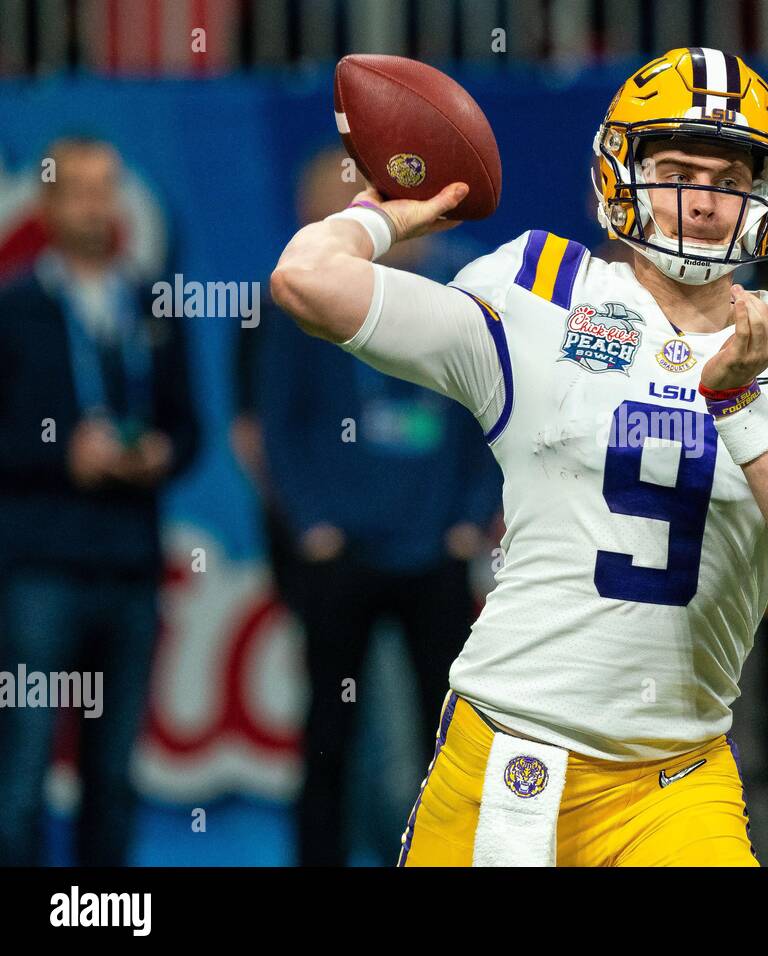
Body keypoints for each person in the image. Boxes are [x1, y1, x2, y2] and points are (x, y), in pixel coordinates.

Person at [270, 47, 768, 867]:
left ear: (767, 194)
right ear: (620, 176)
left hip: (678, 780)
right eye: (676, 169)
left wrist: (739, 405)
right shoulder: (539, 288)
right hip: (508, 752)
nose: (703, 202)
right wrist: (391, 213)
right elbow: (305, 280)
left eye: (729, 177)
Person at [243, 148, 501, 866]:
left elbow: (491, 415)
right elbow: (278, 426)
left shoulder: (460, 296)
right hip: (340, 554)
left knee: (448, 737)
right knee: (329, 731)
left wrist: (469, 518)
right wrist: (312, 523)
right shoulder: (297, 304)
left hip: (435, 554)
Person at [0, 137, 199, 865]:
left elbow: (191, 428)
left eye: (106, 187)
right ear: (46, 202)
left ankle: (99, 915)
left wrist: (161, 454)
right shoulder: (13, 307)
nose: (94, 203)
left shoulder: (152, 305)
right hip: (38, 569)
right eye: (77, 188)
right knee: (20, 771)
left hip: (127, 566)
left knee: (113, 774)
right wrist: (61, 455)